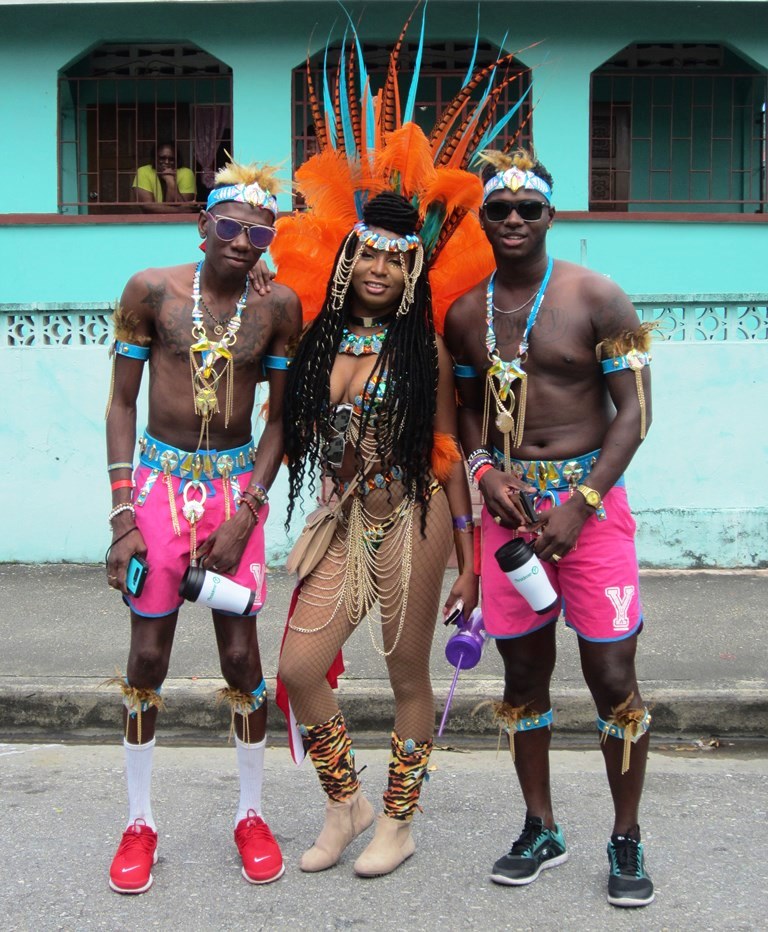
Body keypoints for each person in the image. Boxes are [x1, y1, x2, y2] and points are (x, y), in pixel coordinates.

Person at [444, 148, 655, 908]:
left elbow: (635, 414)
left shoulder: (600, 298)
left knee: (612, 678)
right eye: (498, 209)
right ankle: (541, 827)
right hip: (510, 518)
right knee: (523, 675)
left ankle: (625, 835)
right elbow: (468, 408)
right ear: (483, 216)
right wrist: (484, 471)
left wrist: (585, 502)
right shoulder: (466, 313)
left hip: (589, 512)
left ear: (550, 215)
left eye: (527, 209)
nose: (512, 220)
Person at [104, 159, 301, 893]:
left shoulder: (278, 304)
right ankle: (139, 821)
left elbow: (280, 420)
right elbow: (122, 404)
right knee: (148, 657)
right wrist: (124, 514)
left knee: (242, 660)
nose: (243, 240)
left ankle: (251, 814)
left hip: (234, 492)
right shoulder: (150, 291)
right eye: (229, 225)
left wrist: (248, 511)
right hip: (156, 487)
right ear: (201, 227)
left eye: (259, 230)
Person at [276, 190, 478, 878]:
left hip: (414, 517)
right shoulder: (317, 339)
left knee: (405, 674)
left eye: (396, 261)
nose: (379, 269)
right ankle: (346, 805)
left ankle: (397, 820)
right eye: (369, 253)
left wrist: (469, 562)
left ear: (412, 274)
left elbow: (447, 454)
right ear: (347, 259)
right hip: (344, 519)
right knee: (299, 669)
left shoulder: (425, 348)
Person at [133, 142, 197, 213]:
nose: (167, 162)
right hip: (150, 221)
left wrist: (170, 182)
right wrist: (180, 210)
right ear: (155, 158)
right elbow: (147, 207)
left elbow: (185, 207)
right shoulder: (143, 172)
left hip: (180, 222)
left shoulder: (186, 173)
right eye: (162, 158)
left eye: (171, 159)